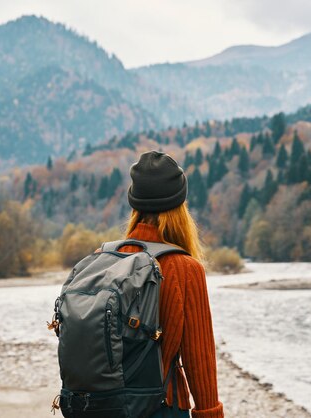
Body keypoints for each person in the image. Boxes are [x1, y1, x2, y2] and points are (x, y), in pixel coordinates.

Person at [118, 150, 224, 418]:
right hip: (160, 406)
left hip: (103, 405)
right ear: (179, 208)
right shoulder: (185, 269)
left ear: (135, 205)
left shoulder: (104, 259)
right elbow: (198, 360)